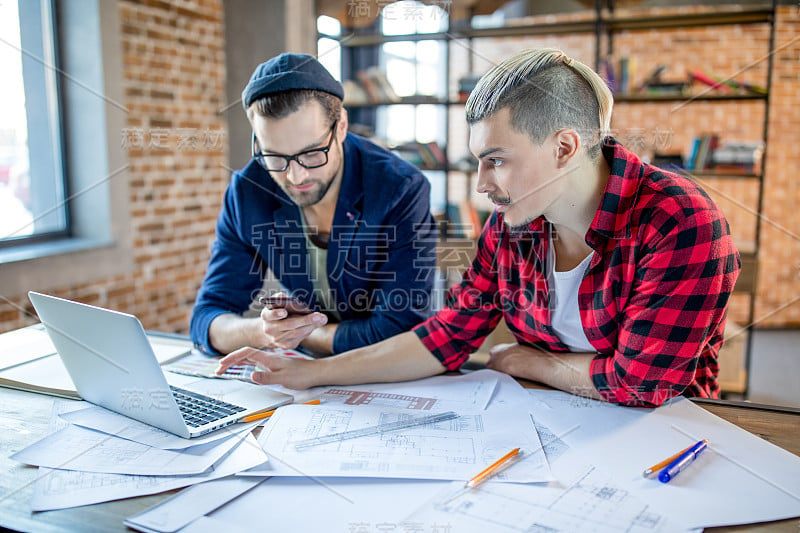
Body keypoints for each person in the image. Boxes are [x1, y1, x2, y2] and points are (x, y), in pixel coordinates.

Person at [217, 48, 740, 407]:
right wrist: (312, 372)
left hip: (663, 438)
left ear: (564, 148)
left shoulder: (678, 222)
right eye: (477, 162)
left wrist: (532, 361)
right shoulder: (513, 226)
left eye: (496, 160)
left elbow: (642, 384)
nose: (481, 186)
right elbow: (446, 337)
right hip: (545, 418)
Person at [191, 53, 437, 356]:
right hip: (307, 380)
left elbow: (402, 328)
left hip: (384, 371)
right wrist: (262, 330)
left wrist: (301, 335)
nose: (295, 176)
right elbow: (206, 318)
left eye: (311, 153)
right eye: (275, 156)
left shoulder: (399, 189)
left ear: (342, 126)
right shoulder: (247, 191)